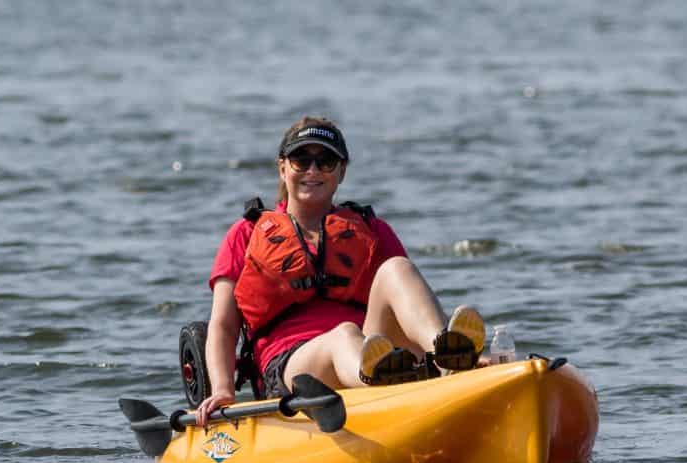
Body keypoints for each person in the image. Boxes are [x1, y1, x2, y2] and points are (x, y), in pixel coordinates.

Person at [195, 116, 486, 427]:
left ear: (341, 171)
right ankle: (387, 382)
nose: (313, 170)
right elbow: (223, 326)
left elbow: (404, 303)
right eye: (301, 160)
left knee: (396, 269)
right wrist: (223, 390)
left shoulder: (371, 229)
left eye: (326, 161)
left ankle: (449, 357)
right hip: (291, 365)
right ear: (282, 167)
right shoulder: (246, 233)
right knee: (343, 335)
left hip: (374, 349)